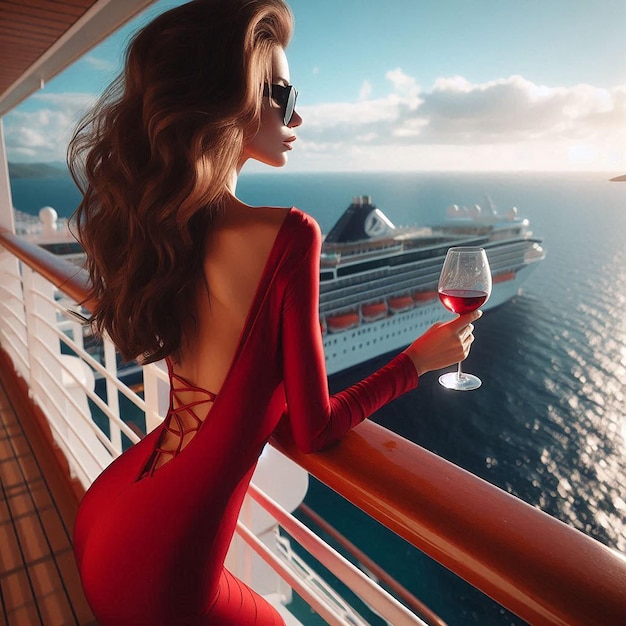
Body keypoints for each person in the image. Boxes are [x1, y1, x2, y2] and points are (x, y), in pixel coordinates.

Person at [69, 0, 481, 624]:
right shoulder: (291, 236)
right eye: (284, 94)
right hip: (159, 571)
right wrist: (417, 360)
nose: (299, 114)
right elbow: (313, 429)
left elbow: (224, 391)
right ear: (232, 99)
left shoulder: (170, 225)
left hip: (111, 510)